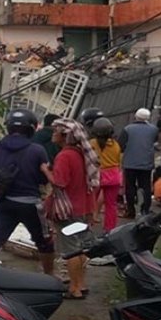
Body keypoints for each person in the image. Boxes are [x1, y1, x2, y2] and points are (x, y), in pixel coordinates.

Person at [0, 109, 55, 276]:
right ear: (32, 128)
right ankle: (50, 278)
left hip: (3, 202)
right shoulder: (37, 150)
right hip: (30, 205)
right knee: (44, 242)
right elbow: (44, 178)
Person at [50, 118, 99, 300]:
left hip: (67, 210)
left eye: (56, 131)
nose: (53, 134)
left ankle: (74, 288)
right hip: (81, 207)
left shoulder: (64, 156)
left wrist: (45, 170)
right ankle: (81, 284)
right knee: (79, 249)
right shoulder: (80, 154)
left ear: (65, 136)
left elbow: (59, 182)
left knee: (70, 250)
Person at [118, 108, 159, 218]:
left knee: (130, 187)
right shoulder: (154, 130)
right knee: (146, 187)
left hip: (130, 163)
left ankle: (130, 211)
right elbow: (155, 141)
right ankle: (145, 210)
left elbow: (120, 146)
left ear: (136, 116)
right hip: (147, 163)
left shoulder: (127, 129)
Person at [89, 117, 122, 234]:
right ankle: (109, 230)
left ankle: (88, 227)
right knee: (111, 205)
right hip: (113, 176)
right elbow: (119, 161)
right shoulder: (116, 145)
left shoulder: (92, 144)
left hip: (97, 175)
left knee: (90, 204)